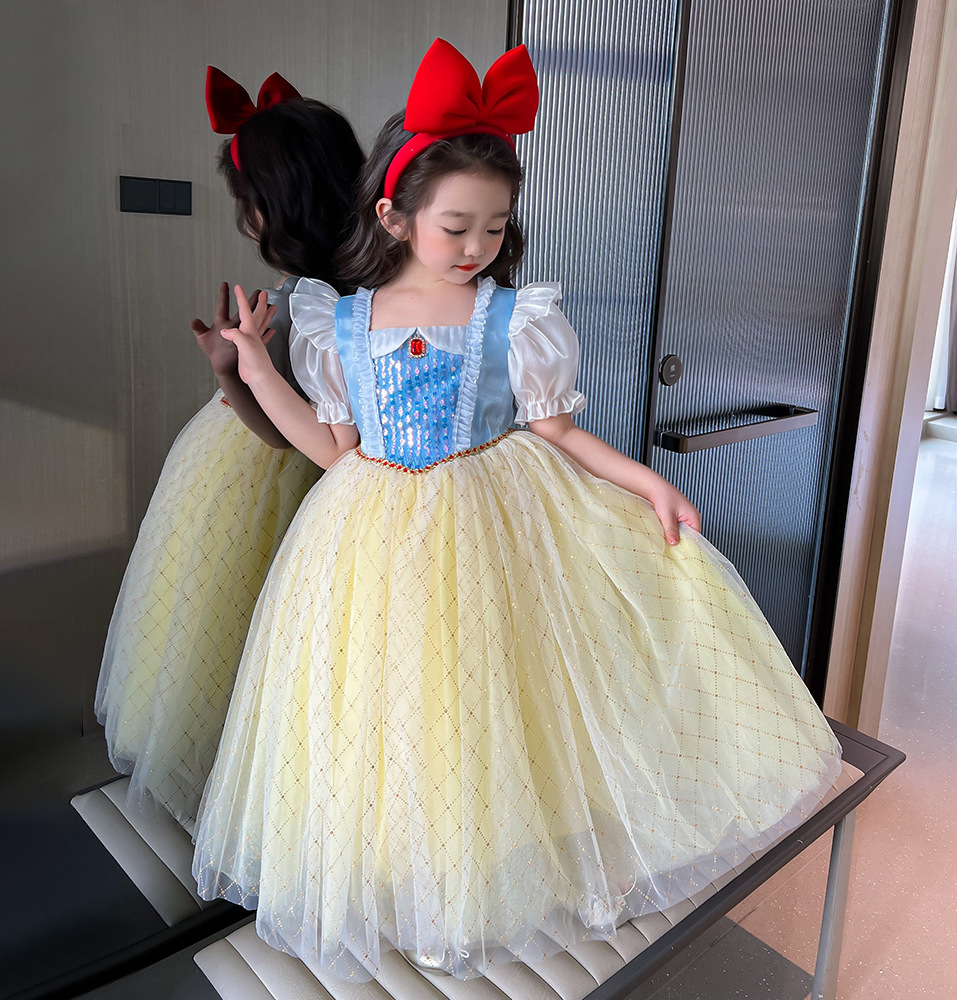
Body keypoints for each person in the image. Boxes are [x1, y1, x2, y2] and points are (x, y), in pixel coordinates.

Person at [193, 39, 842, 981]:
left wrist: (646, 481)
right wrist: (254, 365)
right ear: (394, 215)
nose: (477, 248)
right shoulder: (340, 322)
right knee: (384, 714)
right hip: (365, 541)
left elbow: (560, 432)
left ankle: (483, 885)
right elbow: (333, 451)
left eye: (495, 228)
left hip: (490, 532)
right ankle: (402, 887)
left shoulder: (513, 318)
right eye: (457, 227)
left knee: (487, 707)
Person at [95, 67, 363, 833]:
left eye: (248, 203)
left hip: (273, 483)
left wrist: (237, 372)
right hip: (256, 468)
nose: (244, 220)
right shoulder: (317, 290)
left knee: (249, 651)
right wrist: (232, 365)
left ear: (275, 206)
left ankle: (251, 818)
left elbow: (294, 438)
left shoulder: (320, 305)